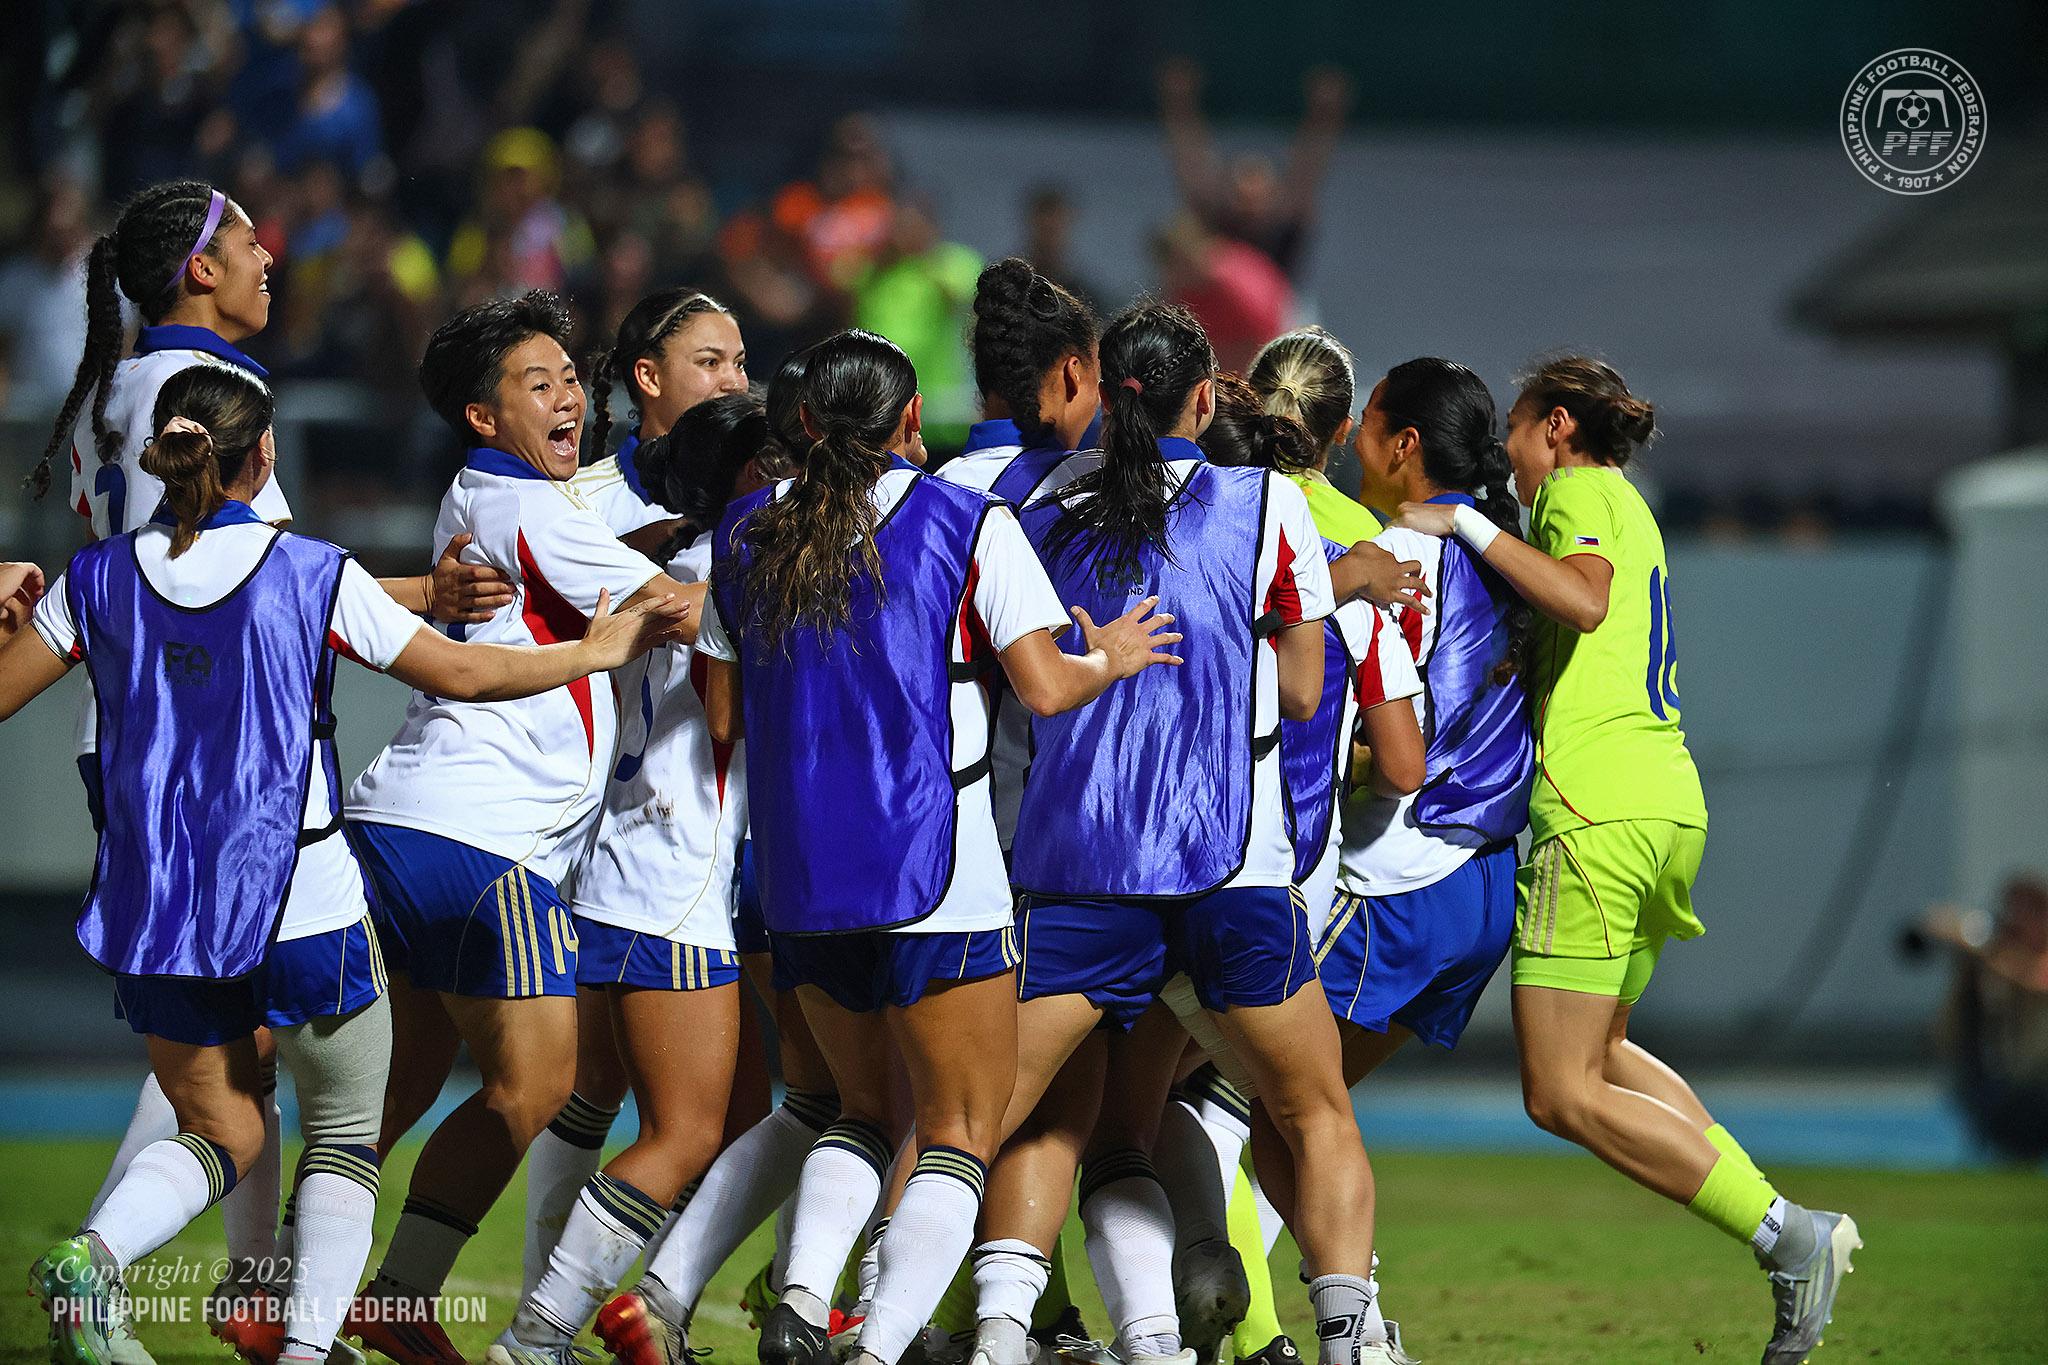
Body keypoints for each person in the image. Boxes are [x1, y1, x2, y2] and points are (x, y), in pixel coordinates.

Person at [16, 362, 681, 1365]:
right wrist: (592, 654)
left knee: (225, 1130)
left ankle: (97, 1253)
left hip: (155, 904)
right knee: (340, 1131)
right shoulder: (309, 571)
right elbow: (465, 670)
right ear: (264, 455)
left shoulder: (96, 578)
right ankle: (305, 1348)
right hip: (300, 896)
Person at [26, 179, 509, 1361]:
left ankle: (229, 1286)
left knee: (218, 1053)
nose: (268, 256)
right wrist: (424, 600)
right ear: (199, 268)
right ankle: (205, 1284)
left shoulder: (114, 385)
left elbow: (200, 568)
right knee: (255, 1067)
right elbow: (247, 578)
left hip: (136, 742)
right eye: (247, 240)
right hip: (216, 748)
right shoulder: (210, 390)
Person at [681, 328, 1178, 1365]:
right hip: (936, 867)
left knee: (858, 1112)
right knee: (958, 1126)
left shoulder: (744, 531)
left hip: (800, 877)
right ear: (911, 420)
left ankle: (799, 1298)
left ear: (803, 421)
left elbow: (724, 711)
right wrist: (1113, 658)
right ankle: (875, 1345)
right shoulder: (962, 519)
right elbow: (1045, 688)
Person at [1393, 357, 1860, 1364]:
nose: (1510, 456)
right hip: (1663, 806)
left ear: (1557, 426)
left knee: (1557, 1090)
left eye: (1518, 430)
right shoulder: (1628, 505)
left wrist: (1464, 523)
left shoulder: (1577, 492)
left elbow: (1586, 600)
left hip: (1595, 815)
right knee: (1602, 1055)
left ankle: (1787, 1235)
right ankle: (1785, 1232)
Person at [969, 301, 1403, 1365]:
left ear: (1096, 386)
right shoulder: (1267, 502)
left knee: (988, 1123)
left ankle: (951, 1328)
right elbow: (1303, 694)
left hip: (1080, 864)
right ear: (1204, 399)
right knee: (1311, 1113)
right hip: (1230, 869)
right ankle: (1350, 1340)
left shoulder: (1031, 504)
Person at [341, 291, 702, 1365]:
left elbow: (589, 563)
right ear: (483, 415)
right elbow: (673, 609)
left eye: (569, 379)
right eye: (536, 384)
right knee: (539, 1082)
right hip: (482, 842)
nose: (566, 399)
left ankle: (286, 1287)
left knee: (395, 1088)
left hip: (399, 820)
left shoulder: (484, 493)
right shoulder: (533, 509)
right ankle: (396, 1296)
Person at [1252, 358, 1534, 1360]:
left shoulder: (1389, 555)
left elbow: (1397, 750)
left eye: (1373, 421)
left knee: (1277, 1109)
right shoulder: (1506, 548)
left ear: (1399, 442)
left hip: (1400, 879)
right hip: (1487, 880)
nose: (1359, 439)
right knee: (1302, 1105)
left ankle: (1351, 1332)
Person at [489, 396, 774, 1365]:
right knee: (683, 1133)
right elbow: (728, 721)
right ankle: (537, 1336)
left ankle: (616, 1314)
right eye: (776, 462)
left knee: (695, 1116)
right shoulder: (723, 580)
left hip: (614, 864)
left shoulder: (658, 568)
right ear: (746, 477)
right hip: (675, 880)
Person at [573, 287, 749, 548]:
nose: (736, 383)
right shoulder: (579, 504)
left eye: (740, 364)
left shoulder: (773, 490)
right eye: (710, 362)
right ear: (650, 377)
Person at [1156, 59, 1351, 284]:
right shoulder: (1217, 225)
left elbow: (1306, 173)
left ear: (1273, 195)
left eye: (1258, 189)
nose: (1249, 196)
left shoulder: (1283, 229)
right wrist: (1178, 105)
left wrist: (1325, 116)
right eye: (1241, 191)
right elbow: (1191, 168)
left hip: (1278, 303)